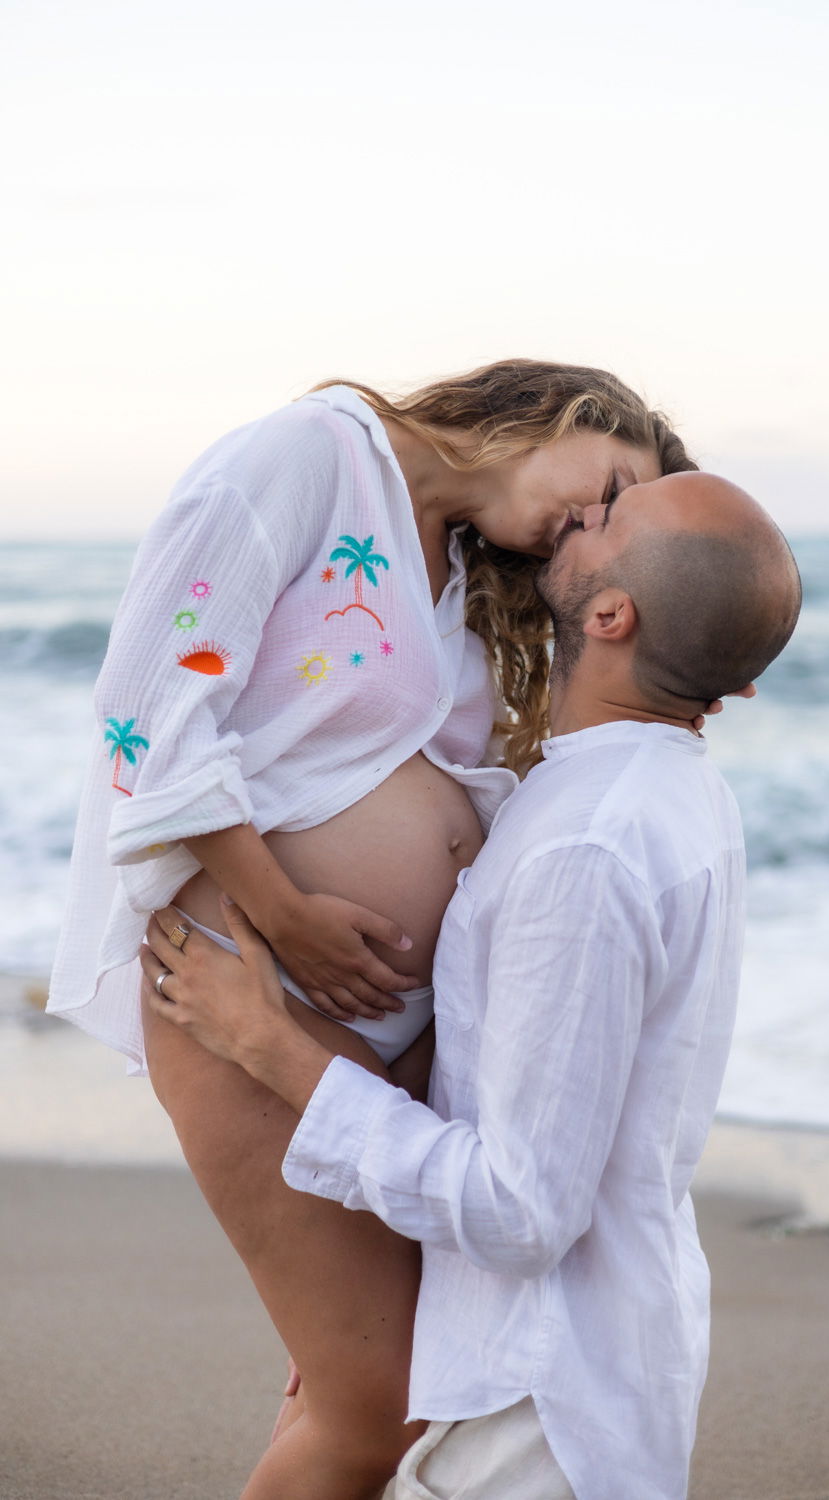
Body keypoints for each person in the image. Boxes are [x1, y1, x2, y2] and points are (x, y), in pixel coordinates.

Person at [48, 361, 697, 1499]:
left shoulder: (454, 566)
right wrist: (283, 911)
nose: (582, 528)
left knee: (384, 1388)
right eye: (606, 487)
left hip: (389, 1031)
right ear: (569, 412)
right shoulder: (309, 459)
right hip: (259, 987)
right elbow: (150, 703)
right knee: (374, 1412)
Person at [142, 470, 802, 1500]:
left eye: (610, 519)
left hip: (530, 1423)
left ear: (612, 614)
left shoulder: (587, 845)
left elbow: (518, 1211)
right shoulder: (655, 792)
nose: (584, 511)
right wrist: (354, 1302)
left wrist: (269, 1044)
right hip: (537, 1370)